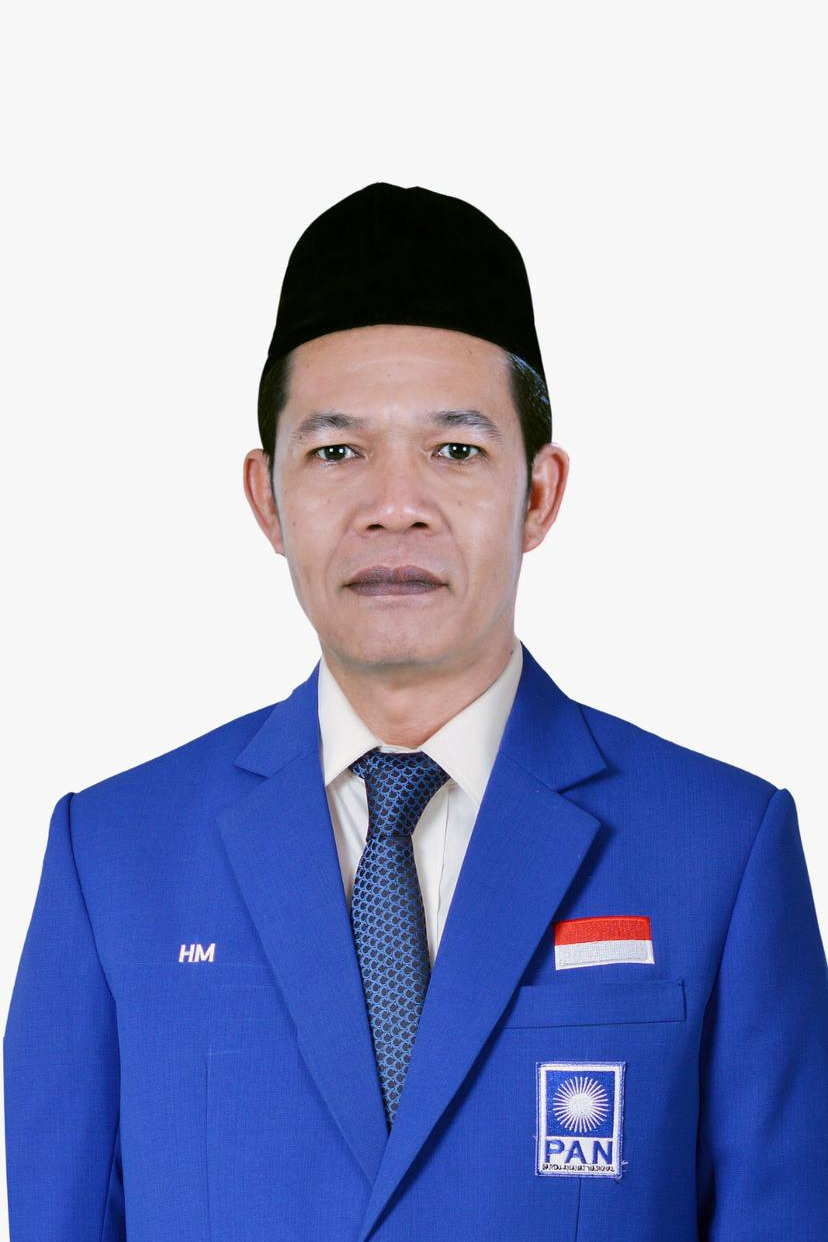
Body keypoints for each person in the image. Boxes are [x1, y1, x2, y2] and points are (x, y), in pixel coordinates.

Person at [4, 181, 828, 1242]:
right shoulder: (114, 858)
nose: (395, 507)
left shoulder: (719, 848)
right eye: (337, 452)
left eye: (456, 450)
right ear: (266, 496)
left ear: (539, 494)